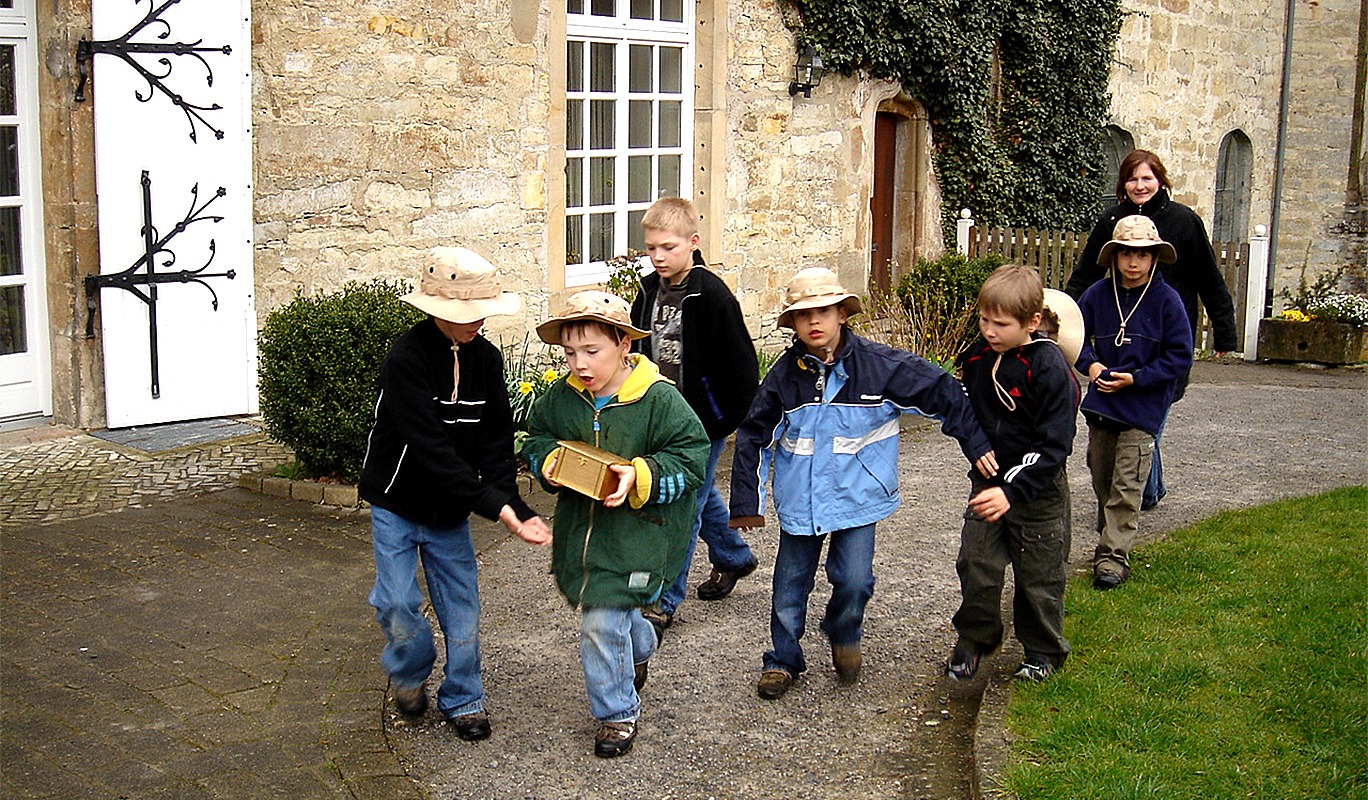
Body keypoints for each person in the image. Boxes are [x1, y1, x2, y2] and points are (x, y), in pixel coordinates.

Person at [729, 267, 995, 700]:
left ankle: (843, 629)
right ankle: (782, 660)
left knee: (854, 580)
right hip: (801, 500)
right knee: (789, 584)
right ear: (793, 324)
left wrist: (977, 442)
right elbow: (754, 436)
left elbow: (945, 392)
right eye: (803, 315)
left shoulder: (882, 368)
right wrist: (746, 502)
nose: (814, 322)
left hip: (859, 496)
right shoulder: (784, 377)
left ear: (842, 314)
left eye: (824, 311)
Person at [359, 247, 552, 742]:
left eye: (482, 311)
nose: (477, 322)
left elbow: (493, 444)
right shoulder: (406, 359)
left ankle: (464, 698)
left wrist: (516, 506)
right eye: (467, 313)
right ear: (436, 310)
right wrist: (494, 506)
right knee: (398, 606)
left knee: (463, 613)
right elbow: (432, 451)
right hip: (397, 506)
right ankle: (409, 671)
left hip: (449, 515)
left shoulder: (486, 359)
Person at [523, 290, 709, 758]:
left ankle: (616, 715)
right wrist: (545, 460)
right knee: (619, 618)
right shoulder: (562, 398)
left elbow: (691, 459)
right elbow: (534, 434)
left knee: (601, 622)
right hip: (583, 540)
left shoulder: (659, 399)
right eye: (569, 353)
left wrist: (640, 474)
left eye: (592, 351)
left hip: (639, 537)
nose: (579, 364)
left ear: (624, 344)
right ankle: (641, 646)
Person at [1065, 149, 1237, 511]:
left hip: (1166, 342)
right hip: (1120, 344)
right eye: (1132, 179)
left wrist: (1225, 333)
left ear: (1160, 180)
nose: (1139, 186)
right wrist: (1062, 318)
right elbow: (1086, 275)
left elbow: (1209, 279)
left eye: (1146, 178)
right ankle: (1147, 489)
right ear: (1122, 184)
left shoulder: (1184, 221)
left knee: (1149, 419)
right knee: (1134, 425)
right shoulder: (1112, 221)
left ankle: (1143, 490)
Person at [628, 197, 760, 633]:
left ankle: (664, 600)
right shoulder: (647, 291)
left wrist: (721, 421)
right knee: (699, 496)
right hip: (660, 419)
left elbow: (742, 368)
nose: (659, 257)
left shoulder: (712, 295)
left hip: (702, 425)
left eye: (667, 247)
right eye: (651, 248)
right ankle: (733, 557)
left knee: (683, 505)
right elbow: (635, 351)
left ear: (693, 242)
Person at [947, 265, 1080, 684]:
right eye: (984, 320)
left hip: (1037, 491)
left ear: (1032, 322)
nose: (989, 331)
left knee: (1038, 576)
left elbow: (1054, 445)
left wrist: (1012, 489)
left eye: (1001, 324)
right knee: (976, 563)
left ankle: (1043, 651)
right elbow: (961, 411)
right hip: (987, 485)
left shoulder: (1049, 368)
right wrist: (975, 445)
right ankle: (976, 638)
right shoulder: (975, 358)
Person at [1075, 216, 1193, 589]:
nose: (1133, 262)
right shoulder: (1096, 294)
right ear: (1114, 256)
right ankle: (1108, 533)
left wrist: (1137, 378)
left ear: (1154, 257)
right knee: (1102, 476)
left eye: (1141, 254)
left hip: (1142, 408)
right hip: (1102, 407)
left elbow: (1180, 355)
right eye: (1125, 253)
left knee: (1128, 486)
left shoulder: (1166, 301)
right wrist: (1091, 364)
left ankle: (1112, 557)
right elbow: (1072, 336)